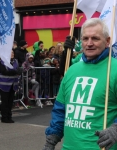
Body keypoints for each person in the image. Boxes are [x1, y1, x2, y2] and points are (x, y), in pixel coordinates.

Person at [43, 18, 117, 150]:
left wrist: (115, 129)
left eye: (95, 38)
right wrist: (51, 139)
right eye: (85, 38)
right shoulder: (72, 70)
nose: (89, 43)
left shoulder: (115, 69)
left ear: (107, 41)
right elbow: (60, 109)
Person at [0, 50, 23, 123]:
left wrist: (18, 71)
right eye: (10, 53)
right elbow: (4, 71)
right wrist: (15, 72)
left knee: (10, 101)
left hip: (13, 85)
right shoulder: (1, 62)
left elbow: (18, 70)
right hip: (4, 85)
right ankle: (4, 117)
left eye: (13, 53)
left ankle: (9, 116)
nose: (12, 54)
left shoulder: (15, 61)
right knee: (5, 101)